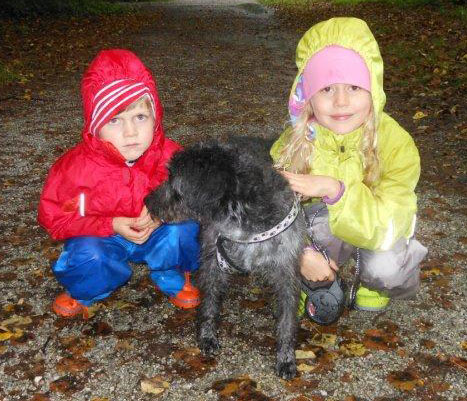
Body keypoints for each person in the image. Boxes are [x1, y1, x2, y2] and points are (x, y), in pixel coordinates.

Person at [270, 17, 428, 316]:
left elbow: (391, 222)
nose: (341, 101)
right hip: (321, 237)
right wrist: (301, 252)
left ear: (373, 89)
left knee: (388, 267)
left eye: (354, 87)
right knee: (306, 226)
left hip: (376, 230)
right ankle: (310, 280)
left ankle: (373, 280)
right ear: (307, 96)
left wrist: (336, 191)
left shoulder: (396, 143)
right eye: (327, 89)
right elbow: (270, 215)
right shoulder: (293, 144)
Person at [38, 49, 201, 319]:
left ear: (155, 116)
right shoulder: (76, 169)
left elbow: (196, 199)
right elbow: (57, 218)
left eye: (140, 117)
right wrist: (110, 224)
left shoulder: (172, 158)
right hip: (105, 237)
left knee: (185, 231)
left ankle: (170, 272)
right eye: (114, 120)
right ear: (95, 126)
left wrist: (162, 215)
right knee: (88, 256)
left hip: (158, 231)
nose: (130, 132)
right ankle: (87, 287)